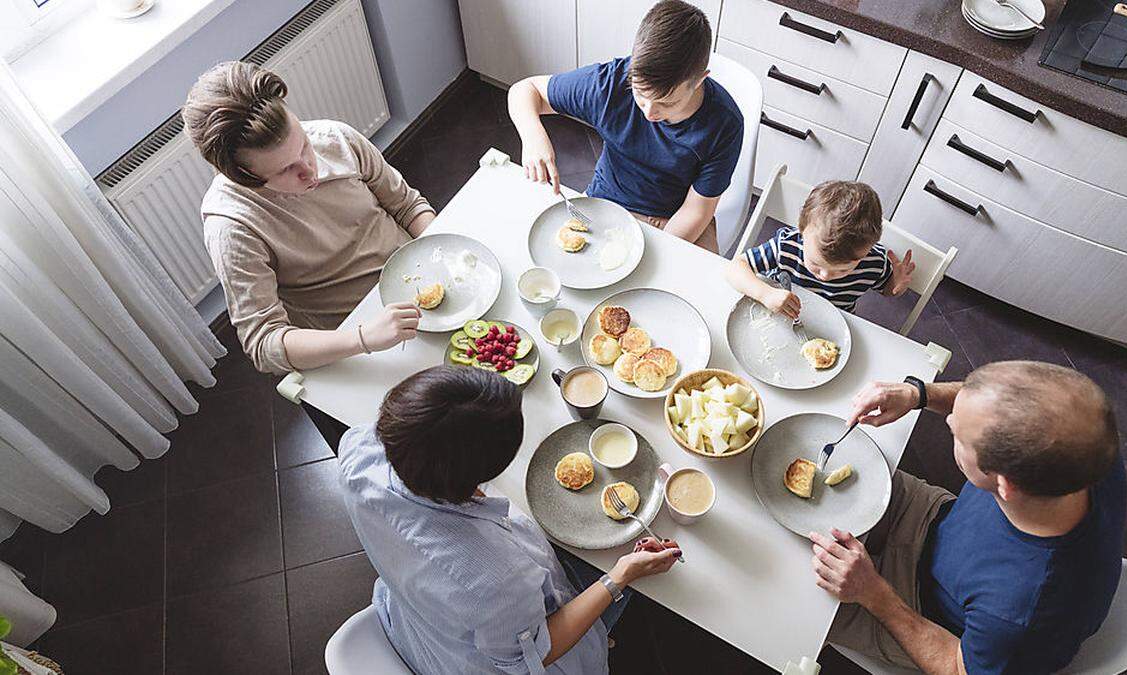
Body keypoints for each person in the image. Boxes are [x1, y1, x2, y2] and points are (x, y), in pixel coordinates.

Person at [337, 366, 682, 674]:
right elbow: (529, 655)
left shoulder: (358, 451)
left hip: (418, 614)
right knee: (637, 587)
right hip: (486, 656)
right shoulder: (495, 579)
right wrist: (620, 575)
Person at [811, 361, 1125, 675]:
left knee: (796, 598)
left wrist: (873, 592)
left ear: (1005, 485)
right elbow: (994, 401)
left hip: (924, 612)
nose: (948, 420)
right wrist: (918, 393)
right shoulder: (1087, 436)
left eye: (958, 436)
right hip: (938, 521)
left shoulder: (1020, 613)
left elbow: (959, 667)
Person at [183, 61, 434, 376]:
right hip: (352, 336)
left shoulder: (336, 137)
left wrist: (438, 253)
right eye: (285, 169)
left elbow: (408, 205)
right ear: (244, 177)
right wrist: (363, 338)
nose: (309, 169)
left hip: (419, 277)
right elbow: (265, 344)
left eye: (302, 144)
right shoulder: (232, 226)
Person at [508, 0, 743, 254]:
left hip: (678, 215)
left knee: (695, 285)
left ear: (699, 81)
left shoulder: (724, 124)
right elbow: (525, 90)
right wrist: (533, 137)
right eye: (641, 94)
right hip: (609, 200)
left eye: (667, 102)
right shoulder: (610, 85)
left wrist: (650, 249)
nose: (649, 112)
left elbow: (697, 210)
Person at [725, 180, 915, 319]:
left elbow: (888, 290)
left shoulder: (874, 263)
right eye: (815, 264)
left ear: (868, 250)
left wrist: (895, 287)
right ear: (802, 232)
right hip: (775, 310)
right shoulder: (787, 246)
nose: (824, 275)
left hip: (835, 322)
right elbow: (735, 268)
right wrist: (765, 294)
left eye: (842, 270)